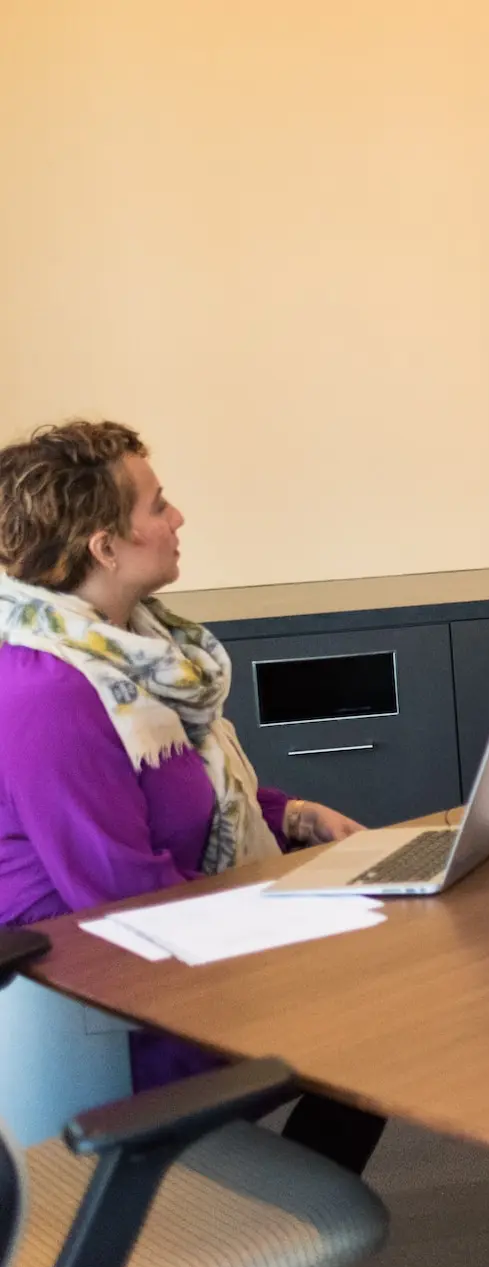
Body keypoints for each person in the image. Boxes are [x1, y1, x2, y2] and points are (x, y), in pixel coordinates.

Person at [0, 419, 383, 1171]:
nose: (177, 519)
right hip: (98, 1000)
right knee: (377, 1006)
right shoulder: (45, 688)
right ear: (104, 546)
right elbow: (119, 893)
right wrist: (290, 916)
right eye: (157, 505)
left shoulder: (133, 649)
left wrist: (292, 816)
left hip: (166, 940)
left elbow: (188, 791)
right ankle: (233, 1220)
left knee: (385, 987)